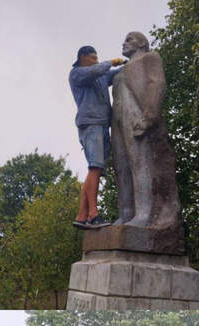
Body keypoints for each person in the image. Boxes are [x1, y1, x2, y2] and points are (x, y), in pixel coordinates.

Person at [111, 32, 182, 230]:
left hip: (136, 112)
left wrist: (149, 116)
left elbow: (157, 84)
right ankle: (125, 213)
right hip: (116, 118)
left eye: (129, 40)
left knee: (139, 162)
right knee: (121, 166)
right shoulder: (120, 70)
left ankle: (144, 213)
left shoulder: (150, 57)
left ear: (142, 43)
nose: (124, 43)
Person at [69, 46, 125, 229]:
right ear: (83, 57)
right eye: (93, 57)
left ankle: (82, 215)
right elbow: (98, 69)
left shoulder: (101, 75)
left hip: (102, 124)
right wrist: (110, 62)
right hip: (90, 124)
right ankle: (93, 214)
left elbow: (115, 73)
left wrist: (131, 64)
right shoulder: (77, 74)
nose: (96, 60)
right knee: (95, 166)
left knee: (96, 170)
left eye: (97, 58)